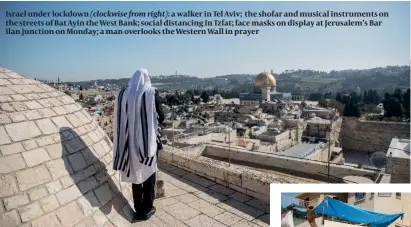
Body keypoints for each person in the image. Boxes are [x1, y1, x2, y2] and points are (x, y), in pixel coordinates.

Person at [112, 68, 164, 221]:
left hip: (128, 142)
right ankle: (148, 208)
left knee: (136, 175)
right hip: (146, 143)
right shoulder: (151, 93)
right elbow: (161, 117)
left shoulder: (123, 94)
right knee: (149, 173)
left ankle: (138, 208)